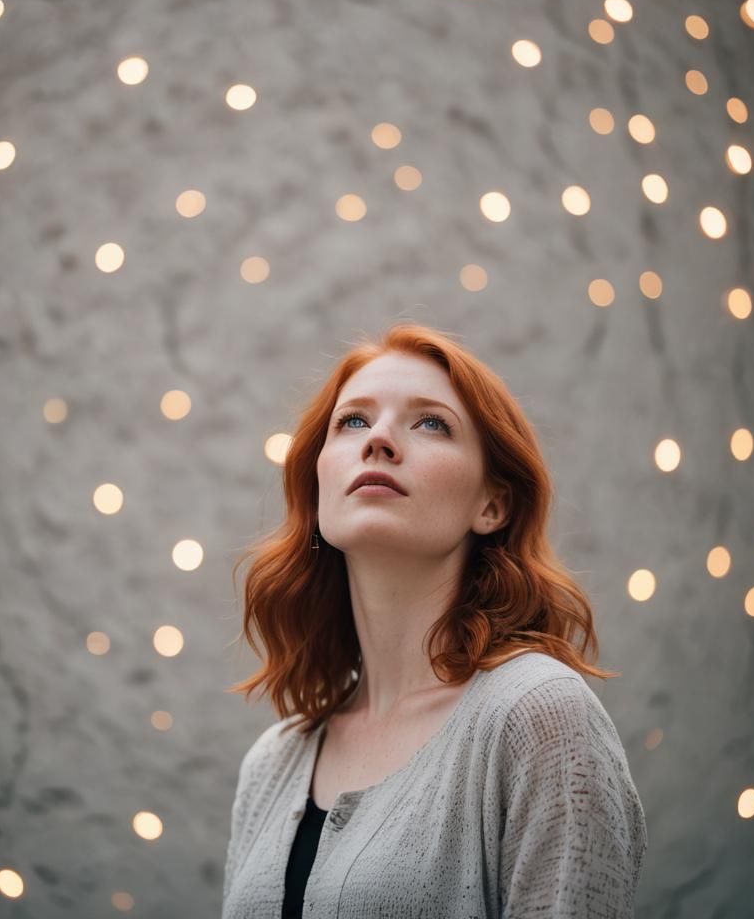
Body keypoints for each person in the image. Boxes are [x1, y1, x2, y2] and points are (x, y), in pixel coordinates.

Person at [220, 322, 648, 918]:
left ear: (492, 504)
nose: (380, 441)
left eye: (431, 423)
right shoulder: (273, 761)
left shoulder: (538, 716)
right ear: (318, 493)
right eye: (353, 421)